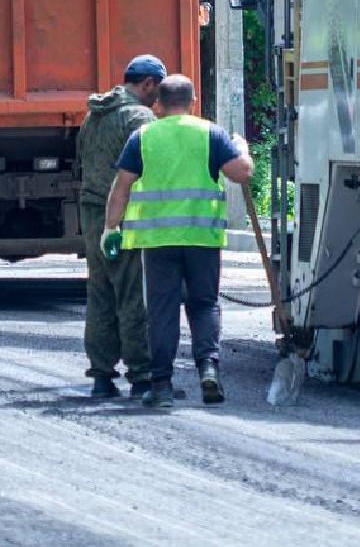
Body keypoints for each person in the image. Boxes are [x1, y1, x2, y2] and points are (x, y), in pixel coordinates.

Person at [102, 74, 254, 408]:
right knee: (204, 304)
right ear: (193, 101)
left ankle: (161, 387)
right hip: (201, 238)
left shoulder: (143, 136)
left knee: (161, 311)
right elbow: (241, 172)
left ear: (157, 103)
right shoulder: (210, 133)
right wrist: (241, 147)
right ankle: (208, 369)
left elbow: (121, 186)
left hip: (157, 242)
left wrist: (110, 229)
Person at [76, 54, 164, 400]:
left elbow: (83, 155)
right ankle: (140, 374)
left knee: (100, 291)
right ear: (147, 84)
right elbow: (151, 168)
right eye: (156, 90)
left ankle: (101, 375)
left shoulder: (93, 115)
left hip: (92, 212)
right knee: (131, 293)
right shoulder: (140, 118)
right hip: (123, 213)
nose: (157, 99)